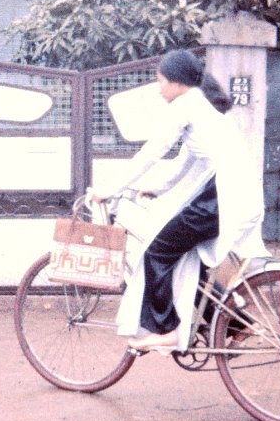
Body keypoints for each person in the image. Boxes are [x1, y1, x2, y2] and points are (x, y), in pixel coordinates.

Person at [91, 50, 270, 353]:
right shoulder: (203, 107)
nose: (159, 90)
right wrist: (154, 187)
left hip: (223, 197)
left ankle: (169, 331)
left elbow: (152, 152)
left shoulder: (185, 106)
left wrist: (110, 188)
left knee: (157, 253)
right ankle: (239, 324)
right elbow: (183, 162)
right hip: (239, 195)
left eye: (161, 82)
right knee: (189, 260)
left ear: (177, 82)